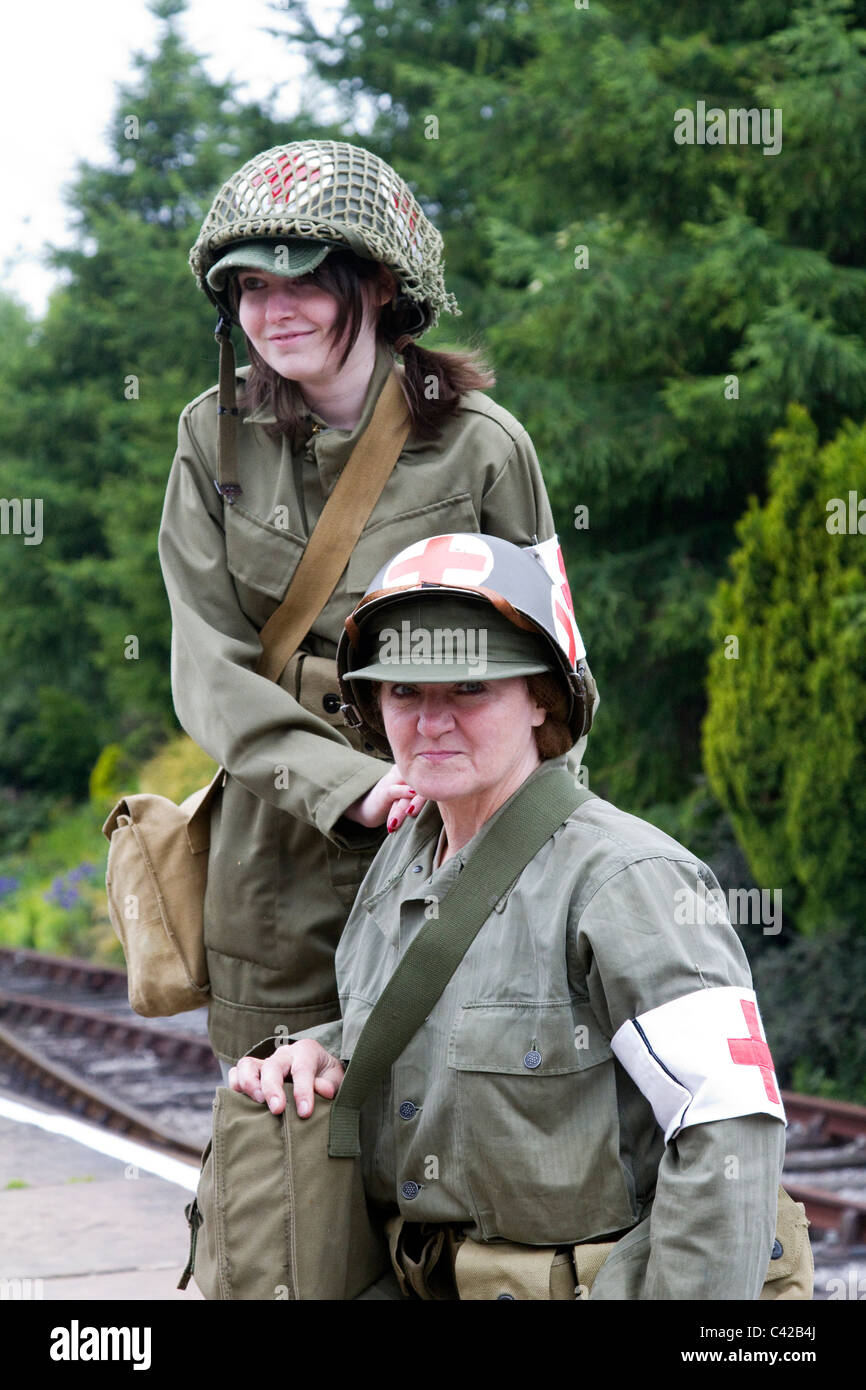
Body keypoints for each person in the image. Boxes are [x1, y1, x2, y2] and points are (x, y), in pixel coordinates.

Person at [229, 532, 789, 1301]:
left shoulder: (626, 880)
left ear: (540, 700)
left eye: (469, 689)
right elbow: (438, 1029)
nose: (431, 722)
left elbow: (729, 1128)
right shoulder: (398, 866)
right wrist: (324, 1053)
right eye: (403, 692)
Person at [158, 140, 585, 1071]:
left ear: (381, 283)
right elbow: (207, 660)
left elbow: (558, 675)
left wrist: (548, 853)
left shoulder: (483, 447)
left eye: (304, 281)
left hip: (453, 826)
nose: (275, 311)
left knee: (457, 1117)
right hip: (275, 846)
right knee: (281, 1150)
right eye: (250, 288)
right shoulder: (210, 436)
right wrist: (343, 787)